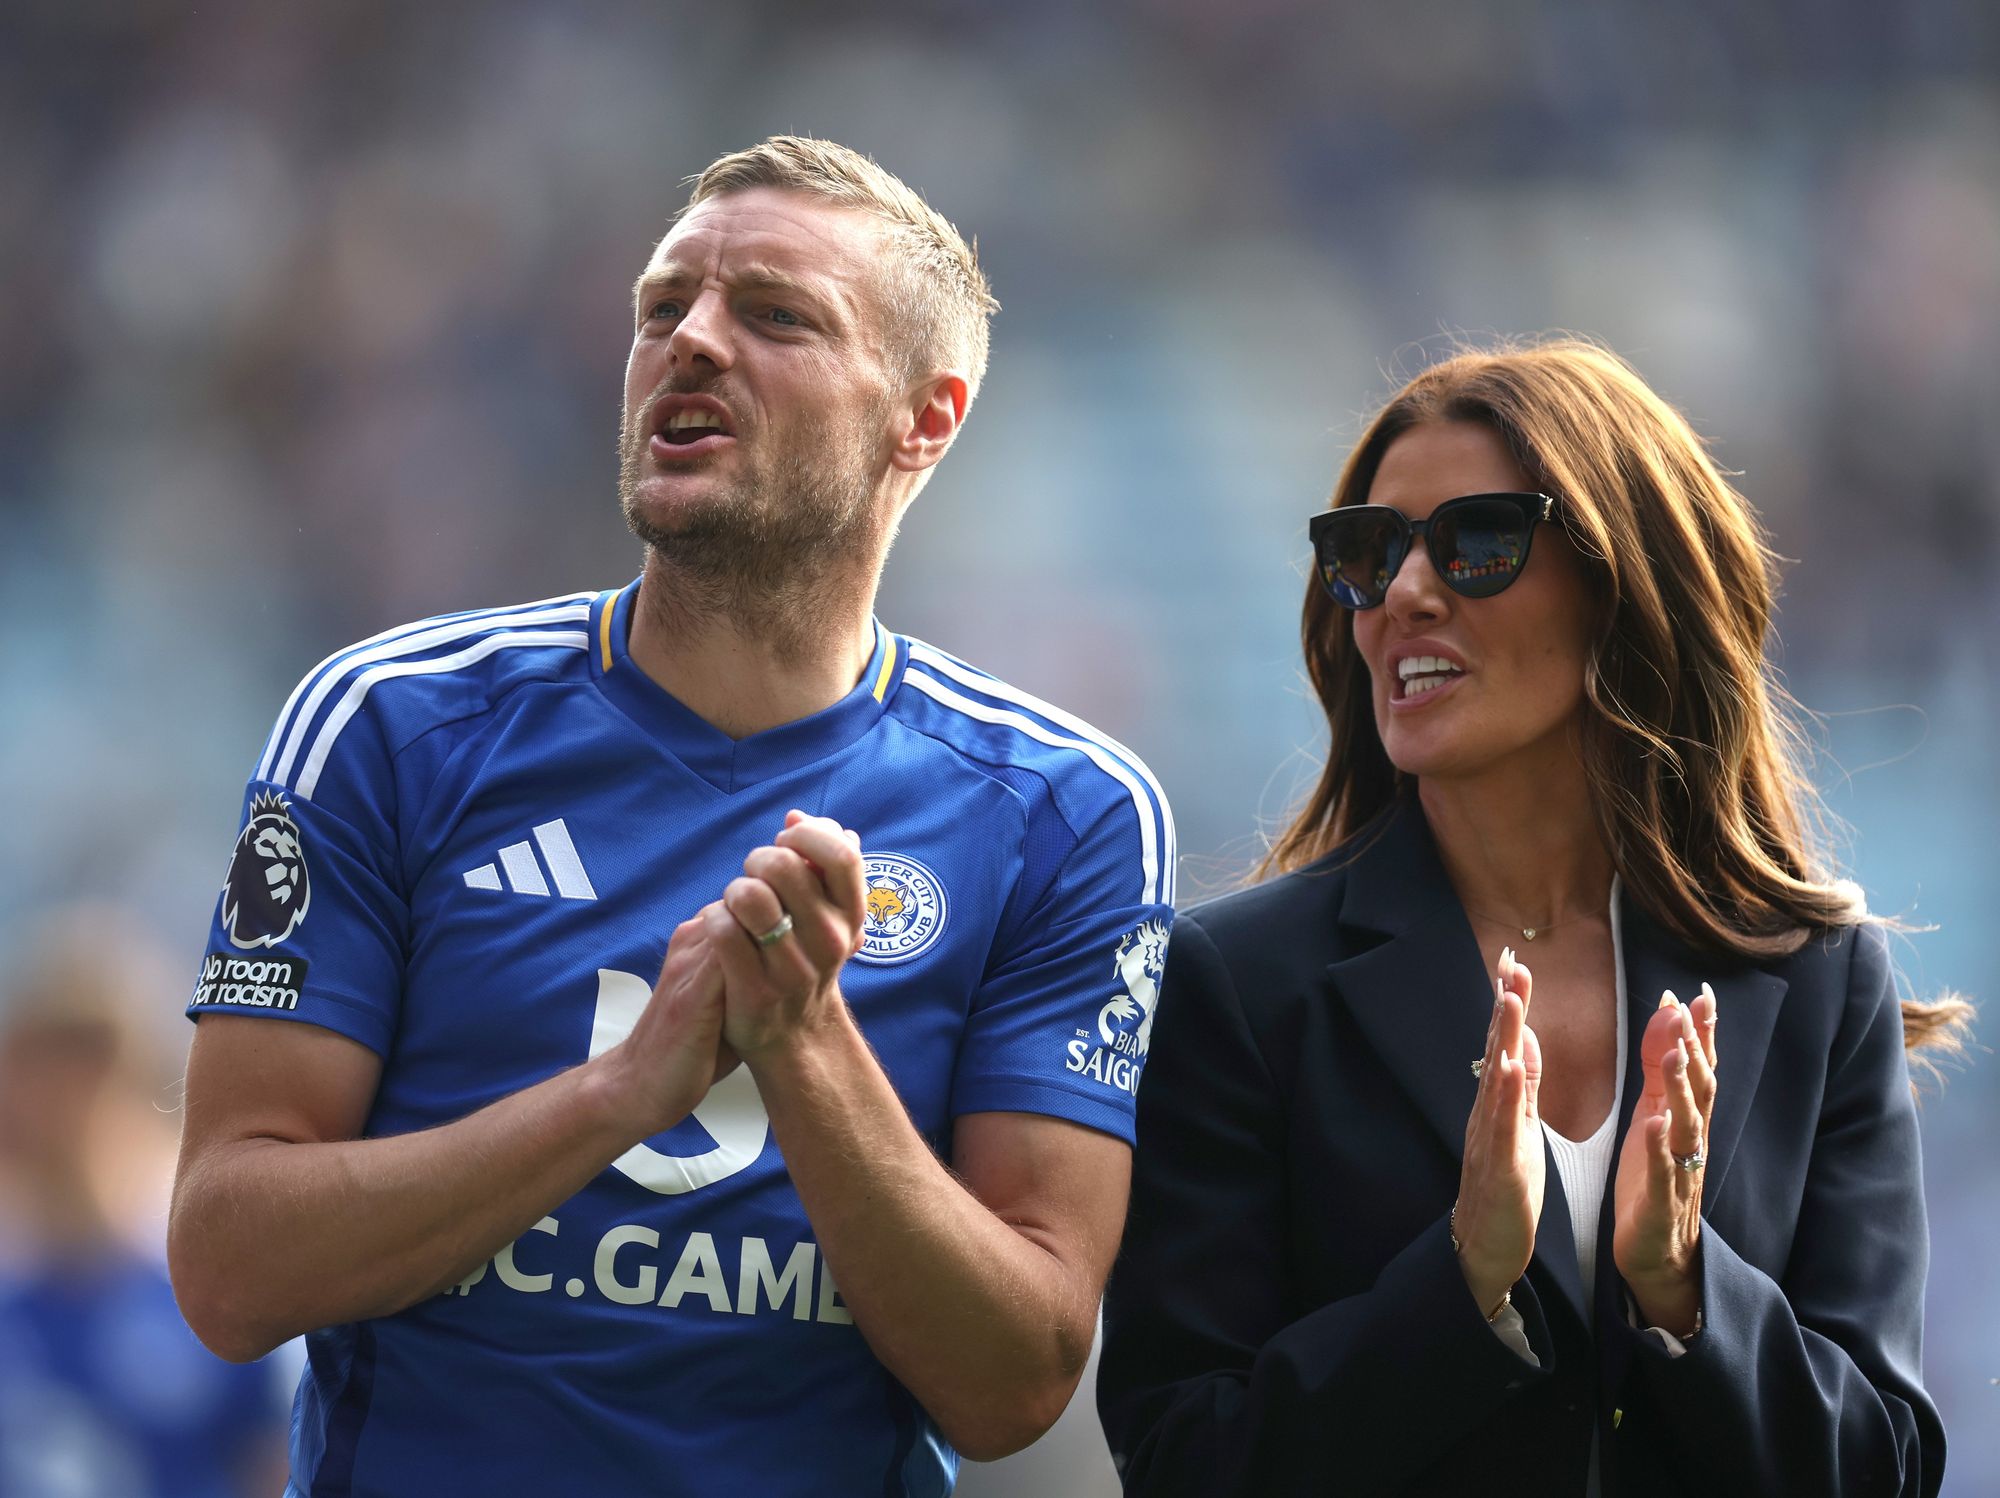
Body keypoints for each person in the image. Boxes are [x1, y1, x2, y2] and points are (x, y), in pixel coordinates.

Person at [170, 136, 1175, 1498]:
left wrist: (806, 1049)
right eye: (664, 306)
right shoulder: (389, 724)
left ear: (923, 419)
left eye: (775, 315)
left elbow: (1017, 1380)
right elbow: (228, 1267)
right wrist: (615, 1096)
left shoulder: (1064, 813)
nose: (691, 340)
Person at [1097, 339, 1965, 1497]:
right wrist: (1459, 1288)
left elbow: (1882, 1469)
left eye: (1477, 541)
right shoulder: (1237, 986)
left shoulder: (1814, 978)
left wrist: (1683, 1283)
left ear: (1623, 584)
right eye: (1368, 550)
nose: (1405, 590)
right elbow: (1180, 1463)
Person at [0, 908, 290, 1498]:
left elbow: (279, 1464)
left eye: (84, 1067)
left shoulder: (210, 1275)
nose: (57, 1104)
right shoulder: (15, 1284)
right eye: (36, 1071)